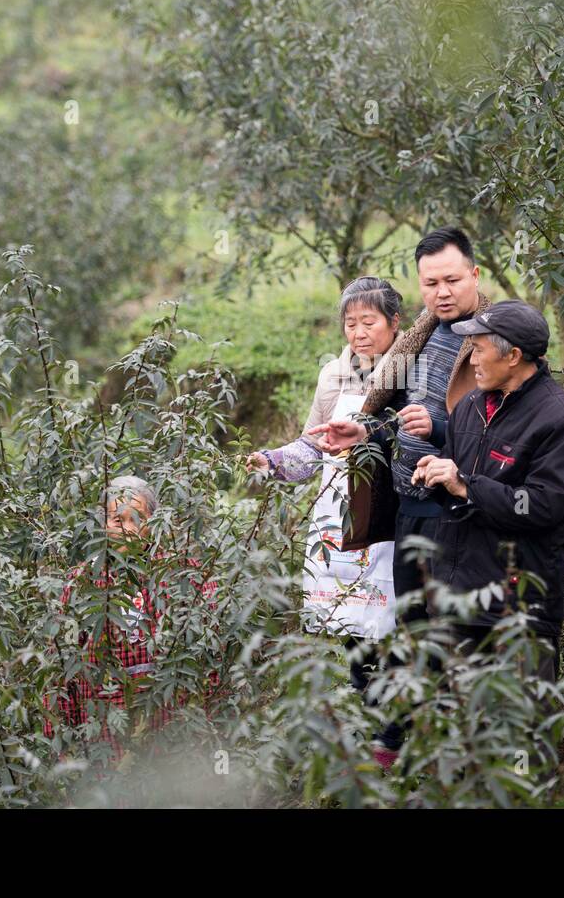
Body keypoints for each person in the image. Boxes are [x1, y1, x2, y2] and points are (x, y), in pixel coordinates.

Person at [308, 226, 491, 764]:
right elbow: (394, 417)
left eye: (452, 279)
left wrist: (438, 423)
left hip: (458, 503)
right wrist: (366, 433)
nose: (442, 291)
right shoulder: (421, 337)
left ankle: (457, 743)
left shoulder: (494, 336)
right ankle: (402, 733)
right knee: (410, 620)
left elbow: (496, 425)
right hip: (409, 501)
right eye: (430, 281)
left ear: (475, 275)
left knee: (454, 622)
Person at [411, 300, 564, 681]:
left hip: (518, 611)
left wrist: (466, 485)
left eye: (478, 350)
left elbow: (541, 505)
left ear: (512, 356)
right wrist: (437, 476)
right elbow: (457, 482)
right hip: (456, 600)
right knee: (461, 730)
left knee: (522, 731)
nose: (471, 360)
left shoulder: (560, 422)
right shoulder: (469, 407)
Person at [246, 276, 403, 690]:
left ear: (394, 322)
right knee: (355, 622)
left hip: (394, 517)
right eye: (350, 323)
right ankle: (369, 719)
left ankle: (398, 730)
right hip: (341, 516)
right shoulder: (333, 375)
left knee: (395, 622)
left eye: (369, 322)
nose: (358, 333)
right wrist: (273, 461)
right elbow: (313, 446)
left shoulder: (412, 373)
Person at [42, 476, 217, 762]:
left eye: (138, 519)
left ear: (154, 521)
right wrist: (64, 750)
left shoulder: (183, 575)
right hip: (106, 731)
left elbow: (212, 656)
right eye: (117, 520)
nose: (128, 529)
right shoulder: (82, 583)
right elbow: (61, 669)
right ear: (103, 524)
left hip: (170, 726)